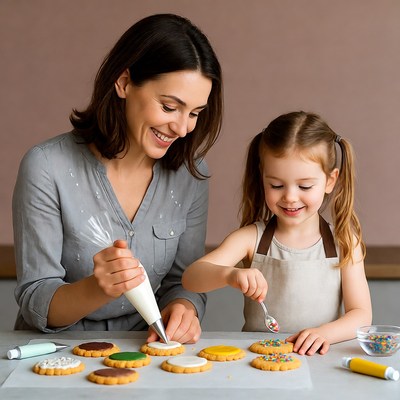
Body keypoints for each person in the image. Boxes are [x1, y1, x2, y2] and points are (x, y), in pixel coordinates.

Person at [12, 13, 223, 344]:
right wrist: (96, 288)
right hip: (54, 354)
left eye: (195, 113)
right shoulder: (46, 166)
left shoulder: (191, 173)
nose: (182, 129)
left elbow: (182, 280)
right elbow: (35, 298)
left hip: (146, 354)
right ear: (123, 83)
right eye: (170, 107)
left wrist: (184, 306)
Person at [182, 111, 372, 355]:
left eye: (304, 186)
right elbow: (191, 278)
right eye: (276, 185)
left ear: (330, 181)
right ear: (262, 179)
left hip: (317, 361)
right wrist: (229, 275)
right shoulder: (250, 238)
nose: (290, 197)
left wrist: (324, 333)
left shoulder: (345, 242)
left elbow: (361, 315)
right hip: (258, 359)